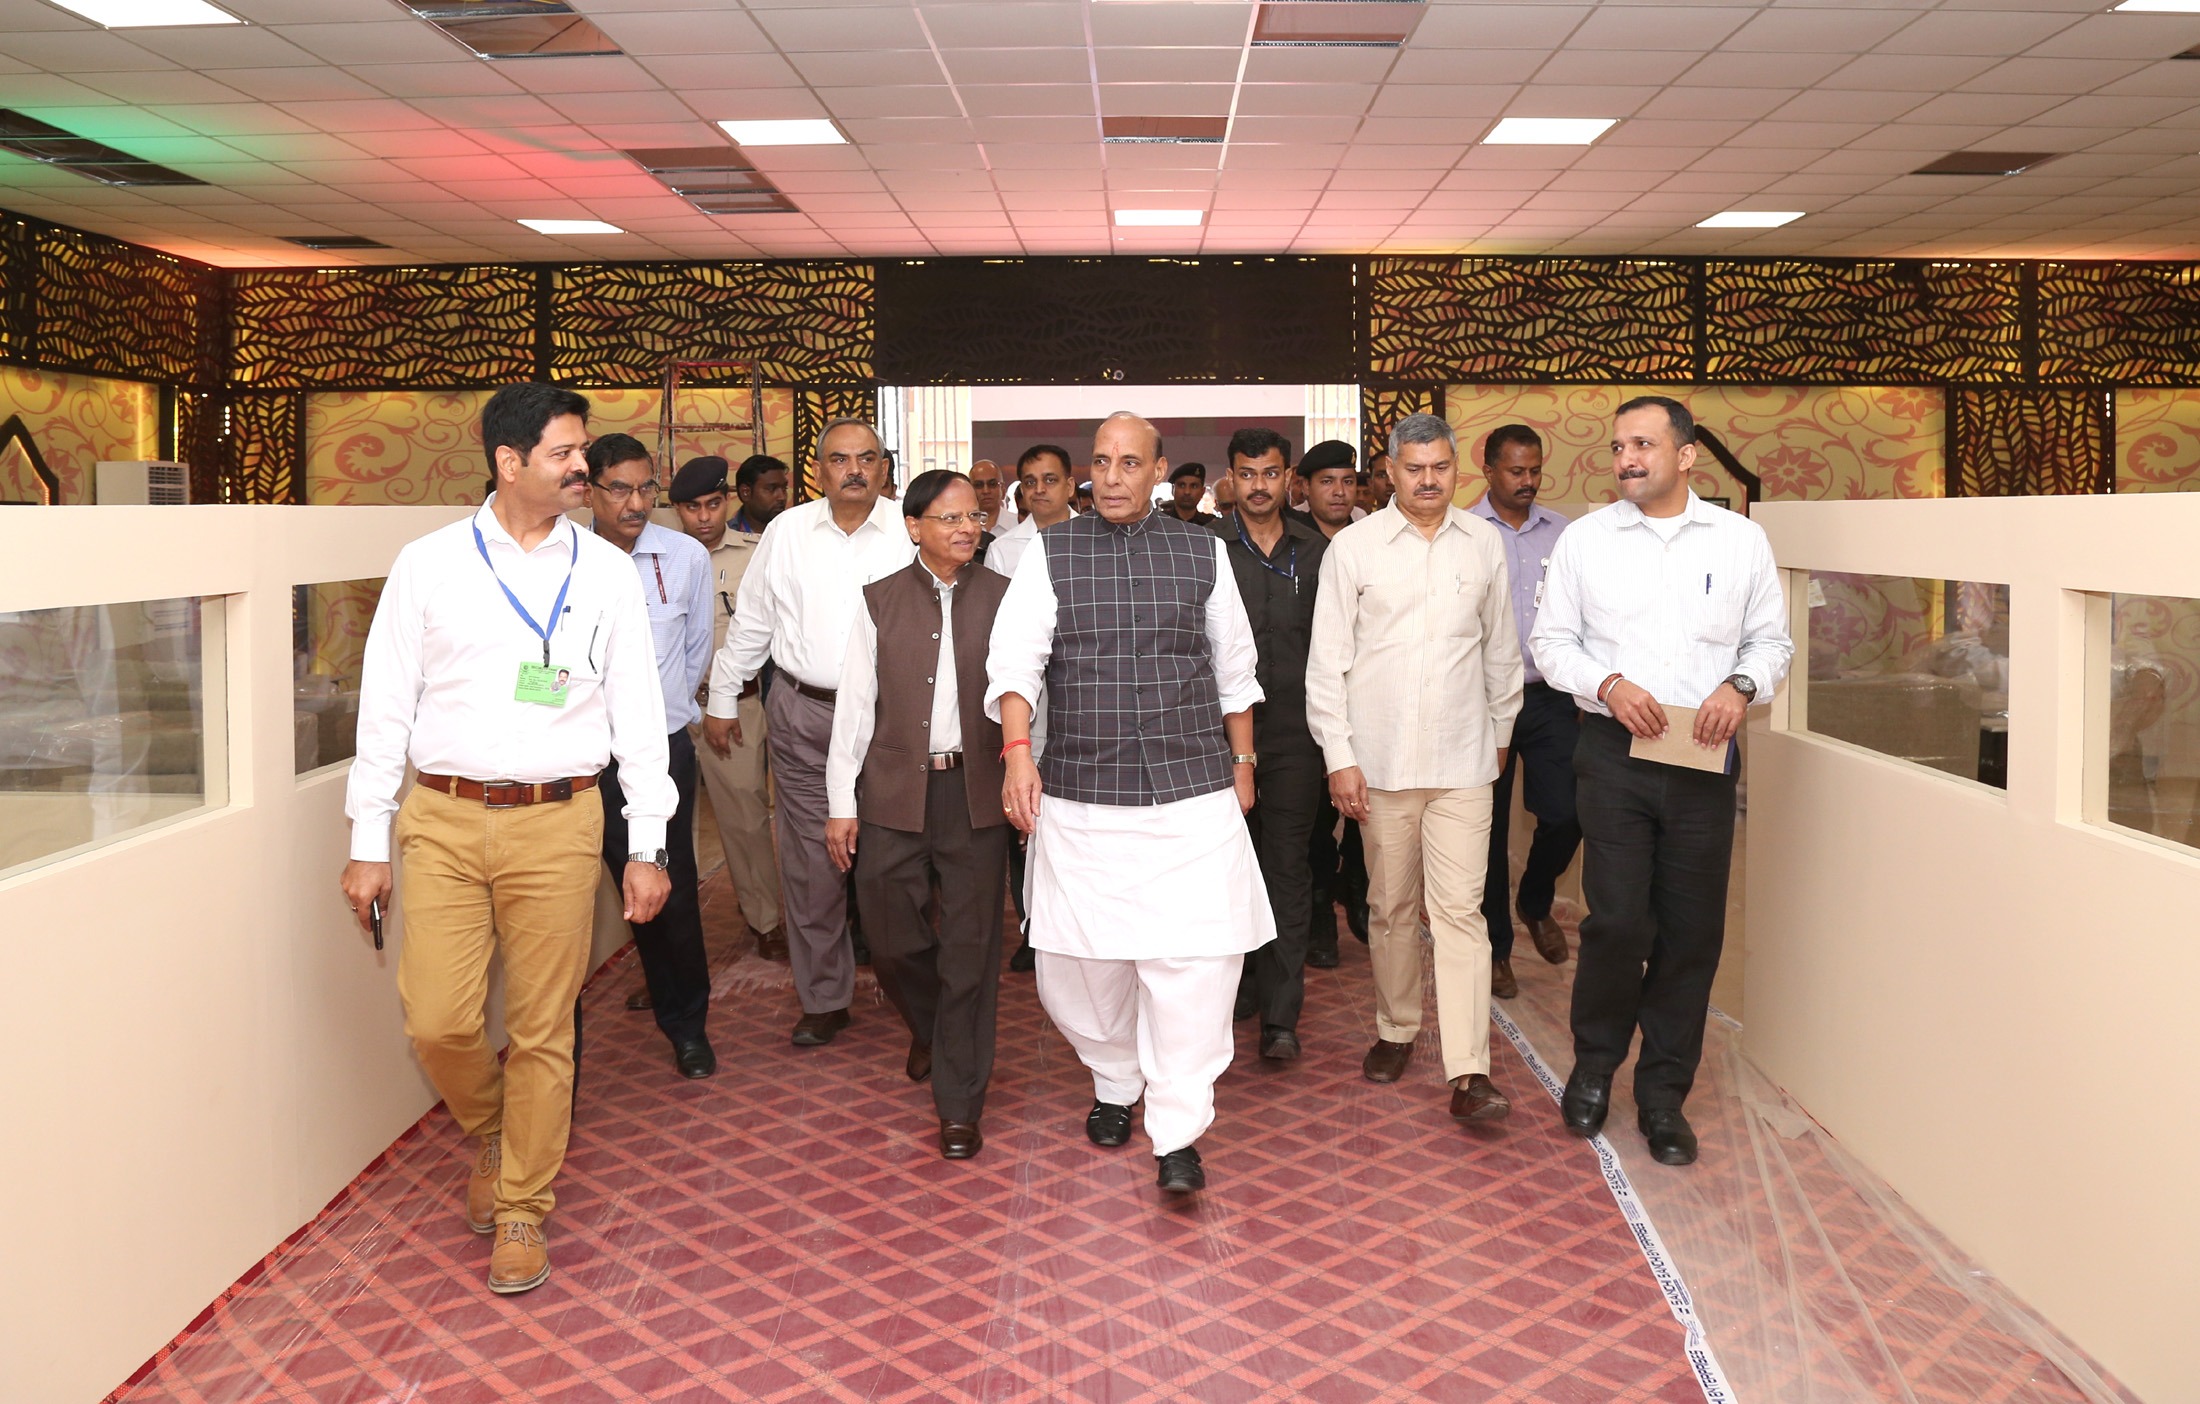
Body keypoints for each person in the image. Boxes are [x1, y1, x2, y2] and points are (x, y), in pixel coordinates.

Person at [340, 384, 673, 1295]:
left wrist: (649, 844)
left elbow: (639, 715)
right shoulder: (429, 564)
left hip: (562, 821)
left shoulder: (605, 571)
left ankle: (524, 1202)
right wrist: (370, 835)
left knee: (541, 1029)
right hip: (442, 819)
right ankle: (489, 1129)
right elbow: (385, 708)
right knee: (439, 1022)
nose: (584, 470)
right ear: (510, 461)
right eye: (567, 454)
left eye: (584, 455)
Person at [988, 411, 1269, 1195]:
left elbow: (1234, 672)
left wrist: (1242, 764)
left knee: (1196, 966)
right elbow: (1015, 664)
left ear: (1159, 470)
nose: (1111, 476)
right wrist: (1018, 756)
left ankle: (1178, 1130)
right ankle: (1115, 1079)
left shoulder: (1204, 550)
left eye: (1129, 463)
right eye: (1101, 462)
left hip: (1191, 790)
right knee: (1078, 967)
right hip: (1080, 790)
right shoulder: (1048, 553)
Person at [1531, 394, 1792, 1167]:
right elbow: (1552, 642)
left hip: (1703, 757)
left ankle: (1663, 1094)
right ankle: (1594, 1068)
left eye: (1643, 445)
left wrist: (1739, 687)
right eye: (1618, 448)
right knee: (1616, 921)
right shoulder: (1586, 541)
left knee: (1690, 930)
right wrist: (1609, 685)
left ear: (1686, 456)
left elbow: (1771, 642)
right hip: (1614, 754)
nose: (1626, 460)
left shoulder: (1742, 540)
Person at [1306, 412, 1522, 1126]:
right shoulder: (1356, 550)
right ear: (1389, 472)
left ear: (1456, 469)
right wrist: (1340, 759)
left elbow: (1501, 652)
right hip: (1381, 764)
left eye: (1440, 468)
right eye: (1414, 468)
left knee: (1461, 912)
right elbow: (1327, 665)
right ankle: (1397, 1027)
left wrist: (1500, 736)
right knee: (1389, 907)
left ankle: (1469, 1071)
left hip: (1464, 761)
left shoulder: (1484, 543)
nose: (1428, 481)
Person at [705, 419, 914, 1046]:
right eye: (839, 460)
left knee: (896, 860)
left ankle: (912, 994)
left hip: (891, 722)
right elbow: (755, 623)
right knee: (808, 861)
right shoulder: (787, 533)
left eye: (866, 459)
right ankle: (824, 996)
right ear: (818, 471)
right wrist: (722, 695)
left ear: (883, 468)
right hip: (804, 713)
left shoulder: (910, 532)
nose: (853, 470)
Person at [825, 471, 1013, 1160]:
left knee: (971, 950)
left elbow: (1031, 697)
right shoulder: (879, 602)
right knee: (889, 931)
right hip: (895, 792)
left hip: (977, 796)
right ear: (913, 527)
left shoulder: (1006, 599)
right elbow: (853, 712)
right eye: (948, 517)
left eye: (973, 516)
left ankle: (959, 1102)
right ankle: (932, 1025)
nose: (966, 528)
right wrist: (841, 803)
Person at [584, 435, 718, 1079]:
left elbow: (694, 654)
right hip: (577, 760)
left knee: (670, 887)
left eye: (646, 489)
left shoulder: (686, 555)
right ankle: (557, 1049)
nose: (636, 503)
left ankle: (686, 1024)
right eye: (620, 489)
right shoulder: (565, 558)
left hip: (659, 752)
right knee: (561, 899)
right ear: (589, 488)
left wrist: (665, 715)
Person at [1217, 426, 1327, 1062]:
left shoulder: (1317, 553)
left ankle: (1282, 1018)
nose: (1259, 486)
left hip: (1295, 740)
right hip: (1213, 742)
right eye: (1247, 473)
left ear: (1289, 479)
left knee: (1287, 871)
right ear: (1231, 478)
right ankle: (1239, 987)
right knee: (1228, 873)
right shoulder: (1203, 549)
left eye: (1270, 473)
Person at [1467, 425, 1578, 1001]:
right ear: (1488, 470)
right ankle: (1497, 949)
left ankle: (1535, 902)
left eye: (1535, 469)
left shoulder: (1564, 534)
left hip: (1549, 697)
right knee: (1485, 829)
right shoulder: (1463, 532)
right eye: (1516, 471)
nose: (1528, 481)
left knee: (1567, 811)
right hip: (1481, 702)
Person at [669, 454, 786, 966]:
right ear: (675, 510)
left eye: (713, 504)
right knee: (666, 830)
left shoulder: (758, 555)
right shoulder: (651, 559)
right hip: (668, 713)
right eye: (691, 507)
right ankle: (673, 946)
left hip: (737, 709)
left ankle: (765, 920)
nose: (703, 517)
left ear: (727, 502)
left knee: (745, 818)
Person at [987, 443, 1078, 973]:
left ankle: (1070, 918)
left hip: (1084, 694)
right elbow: (1009, 640)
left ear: (1071, 486)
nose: (1039, 489)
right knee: (1025, 818)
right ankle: (1031, 924)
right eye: (1030, 481)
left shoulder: (1098, 539)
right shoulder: (1004, 549)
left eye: (1050, 479)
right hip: (1031, 701)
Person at [1299, 440, 1359, 540]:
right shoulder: (1291, 539)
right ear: (1306, 486)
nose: (1340, 492)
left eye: (1348, 482)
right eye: (1327, 482)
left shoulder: (1370, 540)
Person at [732, 453, 790, 533]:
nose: (782, 497)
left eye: (784, 488)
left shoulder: (797, 532)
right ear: (745, 492)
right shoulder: (722, 536)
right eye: (771, 489)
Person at [967, 458, 1009, 561]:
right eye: (978, 485)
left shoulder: (1018, 524)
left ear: (1003, 489)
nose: (986, 491)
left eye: (992, 484)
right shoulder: (963, 528)